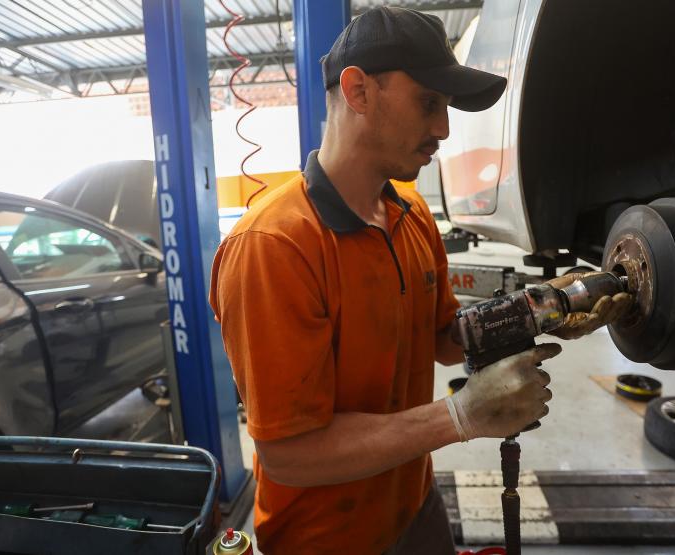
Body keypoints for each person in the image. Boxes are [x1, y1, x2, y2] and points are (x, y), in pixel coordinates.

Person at [209, 7, 632, 554]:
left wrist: (541, 311)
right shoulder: (274, 247)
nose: (444, 129)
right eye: (429, 103)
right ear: (358, 90)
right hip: (326, 537)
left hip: (413, 502)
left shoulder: (409, 212)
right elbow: (290, 455)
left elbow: (439, 338)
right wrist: (461, 415)